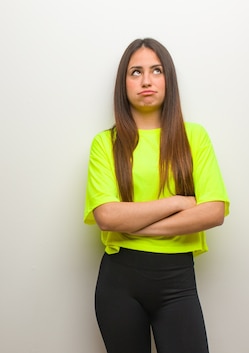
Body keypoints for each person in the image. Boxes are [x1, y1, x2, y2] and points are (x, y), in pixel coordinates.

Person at [84, 38, 230, 353]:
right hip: (119, 283)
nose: (147, 80)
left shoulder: (195, 137)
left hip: (178, 281)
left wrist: (132, 225)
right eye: (136, 72)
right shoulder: (105, 144)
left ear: (168, 80)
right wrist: (177, 203)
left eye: (156, 70)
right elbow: (107, 216)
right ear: (123, 83)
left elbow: (213, 212)